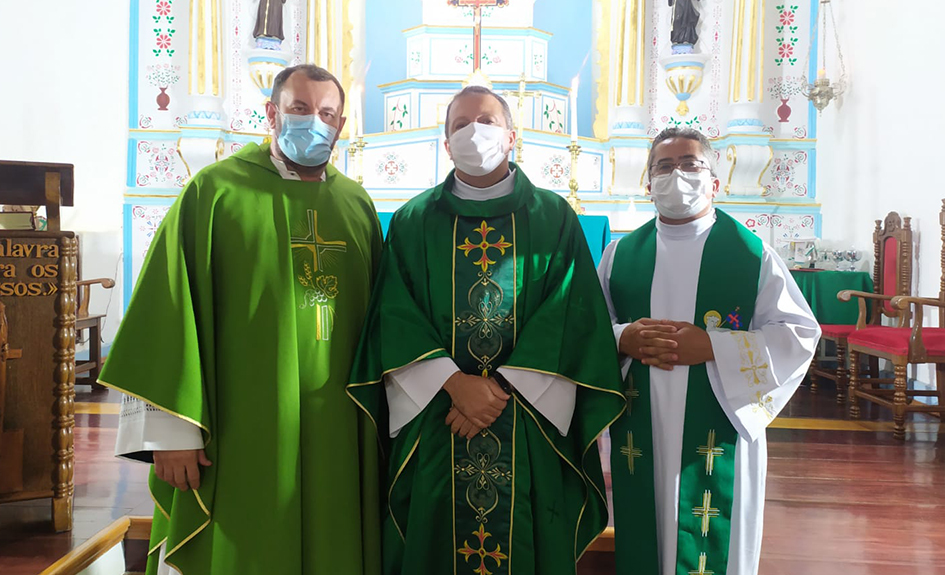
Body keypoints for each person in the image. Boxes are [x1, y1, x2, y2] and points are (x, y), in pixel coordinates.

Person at [100, 64, 382, 575]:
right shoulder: (215, 193)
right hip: (237, 427)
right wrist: (171, 434)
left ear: (341, 125)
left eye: (326, 113)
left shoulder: (356, 205)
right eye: (299, 109)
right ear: (271, 114)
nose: (313, 122)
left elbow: (384, 322)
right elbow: (167, 313)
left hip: (337, 426)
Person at [348, 85, 624, 575]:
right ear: (446, 142)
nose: (476, 132)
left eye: (489, 121)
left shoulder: (553, 216)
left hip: (527, 418)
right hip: (437, 416)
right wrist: (455, 385)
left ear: (512, 136)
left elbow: (569, 311)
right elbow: (393, 312)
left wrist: (496, 389)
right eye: (461, 124)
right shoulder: (414, 220)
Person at [598, 128, 820, 575]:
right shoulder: (620, 256)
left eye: (690, 164)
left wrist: (714, 346)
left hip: (719, 425)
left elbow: (797, 335)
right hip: (640, 423)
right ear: (647, 181)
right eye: (664, 166)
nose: (677, 174)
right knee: (647, 532)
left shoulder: (749, 254)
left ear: (714, 182)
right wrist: (623, 338)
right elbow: (586, 332)